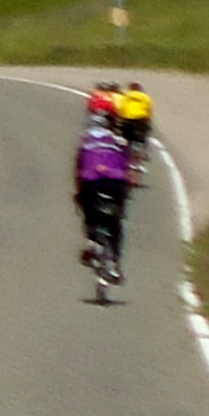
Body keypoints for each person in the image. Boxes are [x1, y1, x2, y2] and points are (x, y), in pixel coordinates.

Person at [74, 113, 141, 295]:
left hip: (91, 181)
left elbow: (78, 170)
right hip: (116, 183)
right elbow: (129, 169)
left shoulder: (85, 142)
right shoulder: (119, 142)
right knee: (116, 222)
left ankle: (92, 242)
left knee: (88, 209)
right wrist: (126, 193)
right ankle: (115, 262)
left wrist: (79, 193)